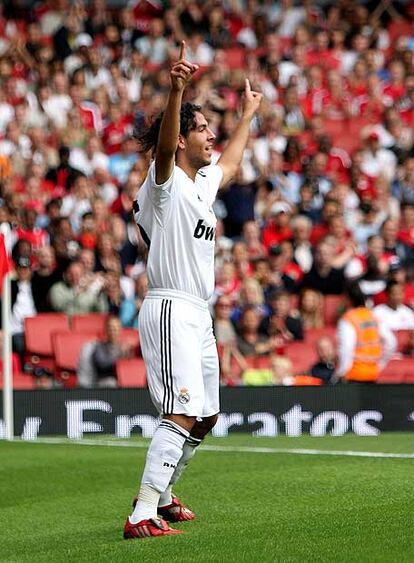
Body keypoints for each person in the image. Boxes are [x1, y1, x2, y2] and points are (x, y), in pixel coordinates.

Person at [125, 41, 262, 539]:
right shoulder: (162, 186)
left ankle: (163, 494)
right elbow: (164, 149)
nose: (211, 136)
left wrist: (248, 116)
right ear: (181, 139)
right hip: (169, 306)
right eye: (201, 129)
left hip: (197, 313)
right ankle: (142, 511)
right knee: (180, 409)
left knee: (206, 415)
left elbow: (228, 165)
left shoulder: (200, 184)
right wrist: (176, 91)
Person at [333, 281, 396, 384]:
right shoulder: (373, 317)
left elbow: (346, 348)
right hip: (372, 375)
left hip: (353, 376)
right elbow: (391, 342)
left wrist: (340, 373)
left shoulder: (348, 319)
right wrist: (380, 364)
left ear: (347, 298)